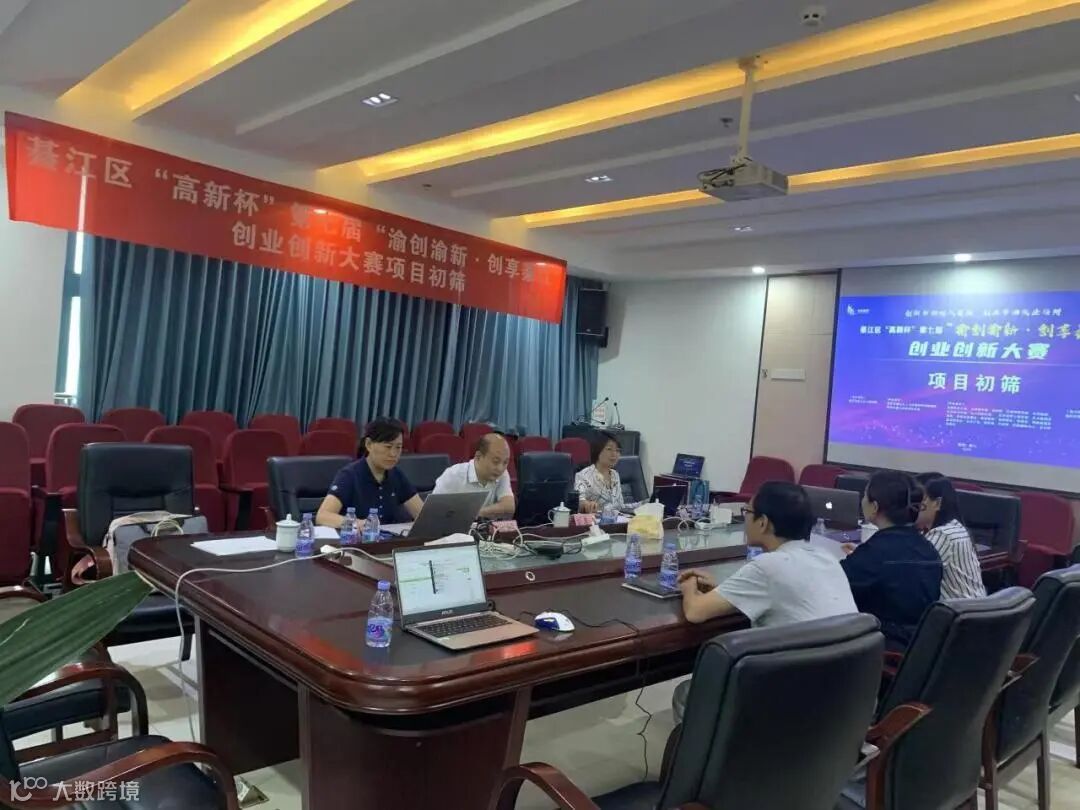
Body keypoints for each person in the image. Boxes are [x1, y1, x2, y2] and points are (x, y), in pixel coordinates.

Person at [674, 481, 857, 720]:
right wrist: (725, 590)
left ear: (763, 523)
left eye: (747, 512)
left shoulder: (769, 565)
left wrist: (688, 586)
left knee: (688, 693)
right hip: (846, 693)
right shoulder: (826, 557)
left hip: (794, 694)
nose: (745, 518)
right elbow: (786, 596)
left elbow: (695, 612)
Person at [841, 470, 942, 649]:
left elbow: (836, 583)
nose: (862, 500)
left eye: (865, 495)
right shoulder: (927, 547)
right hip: (918, 645)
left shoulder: (876, 552)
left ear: (874, 507)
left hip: (880, 646)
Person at [316, 418, 423, 528]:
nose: (393, 454)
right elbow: (322, 516)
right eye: (388, 447)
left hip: (389, 536)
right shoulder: (349, 475)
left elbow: (423, 515)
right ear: (369, 444)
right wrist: (356, 523)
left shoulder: (397, 475)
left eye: (398, 447)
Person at [915, 473, 986, 600]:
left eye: (918, 501)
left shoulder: (944, 534)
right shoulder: (954, 527)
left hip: (962, 611)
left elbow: (912, 572)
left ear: (937, 503)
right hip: (971, 608)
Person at [431, 433, 516, 518]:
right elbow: (432, 511)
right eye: (495, 462)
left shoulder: (502, 474)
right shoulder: (453, 475)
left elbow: (509, 507)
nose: (500, 468)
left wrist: (474, 514)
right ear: (478, 457)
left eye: (505, 462)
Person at [576, 431, 630, 514]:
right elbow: (579, 502)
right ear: (597, 450)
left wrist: (645, 504)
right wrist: (586, 505)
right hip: (595, 521)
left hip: (618, 520)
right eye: (609, 449)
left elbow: (621, 507)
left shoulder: (615, 475)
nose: (614, 454)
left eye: (617, 450)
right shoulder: (583, 475)